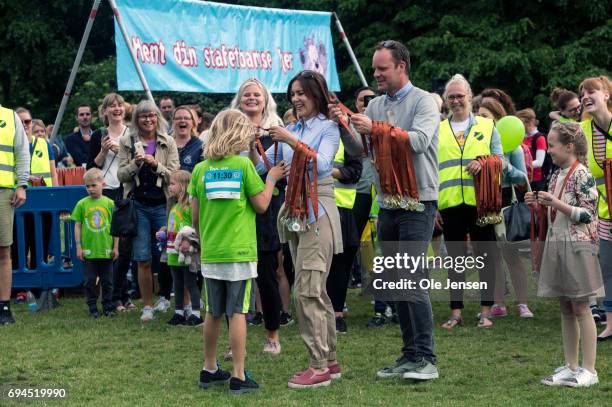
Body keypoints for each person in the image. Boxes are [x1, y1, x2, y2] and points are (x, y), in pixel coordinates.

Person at [330, 40, 440, 381]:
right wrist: (344, 126)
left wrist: (375, 128)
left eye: (382, 68)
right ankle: (410, 355)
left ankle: (426, 359)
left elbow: (419, 141)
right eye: (375, 68)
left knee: (410, 278)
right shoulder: (376, 104)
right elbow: (360, 151)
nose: (376, 74)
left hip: (418, 199)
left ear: (401, 67)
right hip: (388, 201)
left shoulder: (424, 101)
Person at [253, 70, 342, 388]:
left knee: (306, 290)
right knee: (315, 291)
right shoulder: (291, 129)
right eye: (292, 93)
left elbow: (322, 164)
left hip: (318, 213)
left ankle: (318, 367)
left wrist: (290, 139)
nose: (296, 98)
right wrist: (255, 141)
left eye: (302, 93)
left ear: (317, 94)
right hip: (296, 213)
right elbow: (261, 168)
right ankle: (329, 362)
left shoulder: (329, 128)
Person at [190, 109, 286, 394]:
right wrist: (272, 177)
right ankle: (239, 375)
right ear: (239, 135)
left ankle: (209, 368)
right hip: (240, 252)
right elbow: (262, 205)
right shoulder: (244, 167)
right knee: (238, 312)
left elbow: (194, 217)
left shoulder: (200, 169)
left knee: (213, 312)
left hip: (212, 251)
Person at [526, 122, 602, 387]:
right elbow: (554, 212)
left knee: (582, 306)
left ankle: (589, 370)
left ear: (569, 147)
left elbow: (588, 214)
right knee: (566, 306)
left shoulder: (583, 174)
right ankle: (571, 366)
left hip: (578, 247)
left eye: (553, 145)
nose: (549, 151)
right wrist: (538, 203)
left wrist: (555, 202)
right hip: (558, 244)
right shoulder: (556, 175)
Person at [437, 74, 503, 330]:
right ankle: (456, 312)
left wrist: (484, 163)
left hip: (481, 203)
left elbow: (501, 161)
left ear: (469, 96)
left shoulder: (487, 126)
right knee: (455, 259)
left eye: (459, 96)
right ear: (445, 100)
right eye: (451, 97)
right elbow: (430, 169)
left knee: (485, 256)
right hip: (450, 204)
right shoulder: (438, 129)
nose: (455, 101)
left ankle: (486, 311)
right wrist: (433, 206)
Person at [230, 77, 288, 353]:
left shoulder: (277, 129)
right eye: (246, 95)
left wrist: (256, 147)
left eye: (257, 95)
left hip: (265, 207)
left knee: (266, 273)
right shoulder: (229, 129)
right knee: (235, 277)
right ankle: (233, 340)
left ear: (266, 100)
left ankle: (272, 335)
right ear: (239, 100)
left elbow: (274, 170)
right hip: (235, 210)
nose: (252, 99)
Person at [117, 100, 179, 323]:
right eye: (143, 116)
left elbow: (175, 175)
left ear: (157, 118)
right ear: (137, 119)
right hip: (138, 207)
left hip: (163, 205)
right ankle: (147, 305)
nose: (148, 119)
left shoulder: (168, 141)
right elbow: (121, 176)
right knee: (142, 257)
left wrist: (155, 165)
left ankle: (167, 297)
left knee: (168, 254)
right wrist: (136, 163)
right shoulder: (127, 141)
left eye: (152, 115)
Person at [87, 93, 135, 312]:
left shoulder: (132, 133)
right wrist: (104, 150)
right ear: (104, 111)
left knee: (124, 246)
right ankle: (114, 296)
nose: (116, 109)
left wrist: (122, 151)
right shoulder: (99, 134)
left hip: (125, 190)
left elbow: (138, 159)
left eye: (119, 106)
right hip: (105, 192)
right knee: (110, 247)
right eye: (111, 106)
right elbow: (90, 167)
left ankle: (122, 295)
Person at [577, 76, 612, 341]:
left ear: (606, 95)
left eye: (592, 91)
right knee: (608, 267)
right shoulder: (582, 131)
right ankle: (611, 323)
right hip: (605, 212)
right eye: (582, 93)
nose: (586, 96)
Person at [71, 168, 119, 318]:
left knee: (108, 282)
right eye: (87, 186)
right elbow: (77, 225)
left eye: (94, 185)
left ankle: (108, 307)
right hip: (89, 251)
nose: (90, 189)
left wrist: (116, 247)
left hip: (106, 250)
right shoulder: (81, 204)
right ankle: (92, 307)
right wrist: (79, 246)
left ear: (102, 184)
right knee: (90, 281)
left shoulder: (110, 204)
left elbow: (116, 227)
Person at [158, 170, 202, 326]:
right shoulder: (174, 206)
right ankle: (179, 312)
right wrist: (163, 231)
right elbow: (172, 224)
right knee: (176, 283)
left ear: (183, 186)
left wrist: (189, 241)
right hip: (172, 251)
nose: (170, 187)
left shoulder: (190, 206)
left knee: (190, 282)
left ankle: (196, 313)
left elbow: (195, 227)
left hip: (186, 253)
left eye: (172, 184)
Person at [0, 104, 29, 325]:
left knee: (3, 250)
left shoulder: (10, 116)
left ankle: (4, 307)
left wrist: (22, 185)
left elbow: (21, 151)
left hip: (4, 192)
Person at [518, 108, 549, 191]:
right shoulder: (523, 137)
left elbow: (539, 162)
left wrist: (521, 165)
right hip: (524, 179)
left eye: (520, 123)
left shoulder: (540, 138)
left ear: (529, 122)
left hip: (536, 181)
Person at [172, 106, 204, 173]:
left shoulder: (201, 147)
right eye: (178, 118)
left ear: (193, 123)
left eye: (186, 118)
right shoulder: (165, 144)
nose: (182, 120)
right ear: (173, 122)